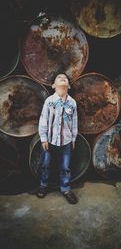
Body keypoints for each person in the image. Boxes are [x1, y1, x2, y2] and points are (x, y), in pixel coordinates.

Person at [36, 73, 78, 204]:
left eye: (65, 78)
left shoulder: (72, 103)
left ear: (69, 85)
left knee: (65, 166)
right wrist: (43, 138)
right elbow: (43, 120)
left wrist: (74, 138)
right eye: (59, 78)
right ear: (53, 85)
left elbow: (74, 121)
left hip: (66, 140)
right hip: (50, 140)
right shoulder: (49, 101)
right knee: (45, 163)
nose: (62, 78)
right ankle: (43, 184)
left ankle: (65, 188)